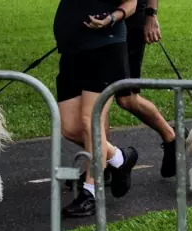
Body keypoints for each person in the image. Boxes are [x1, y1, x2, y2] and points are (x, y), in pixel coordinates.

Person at [53, 0, 140, 218]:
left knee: (90, 121)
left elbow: (132, 4)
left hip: (106, 49)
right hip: (72, 51)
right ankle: (119, 157)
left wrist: (111, 18)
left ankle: (91, 193)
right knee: (70, 128)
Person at [115, 0, 183, 179]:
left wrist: (151, 15)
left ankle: (104, 163)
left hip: (128, 23)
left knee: (123, 96)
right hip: (106, 24)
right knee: (121, 97)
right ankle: (105, 161)